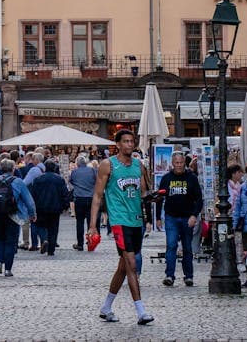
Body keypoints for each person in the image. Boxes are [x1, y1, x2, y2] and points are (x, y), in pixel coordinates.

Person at [89, 130, 154, 325]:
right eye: (125, 141)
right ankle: (141, 311)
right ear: (117, 144)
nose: (129, 145)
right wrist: (93, 226)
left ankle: (106, 307)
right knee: (132, 264)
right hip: (118, 220)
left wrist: (154, 197)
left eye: (131, 141)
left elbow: (143, 193)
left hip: (136, 220)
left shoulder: (138, 166)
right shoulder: (108, 165)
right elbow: (97, 196)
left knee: (123, 268)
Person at [0, 158, 36, 277]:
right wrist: (32, 214)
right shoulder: (18, 182)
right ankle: (8, 269)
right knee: (11, 241)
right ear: (13, 169)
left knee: (0, 239)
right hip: (14, 214)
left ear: (1, 168)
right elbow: (29, 200)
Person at [157, 152, 202, 287]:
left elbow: (199, 199)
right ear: (172, 163)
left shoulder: (191, 178)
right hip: (171, 216)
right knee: (171, 245)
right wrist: (158, 217)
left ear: (184, 163)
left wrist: (194, 215)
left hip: (187, 217)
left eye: (181, 163)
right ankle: (169, 275)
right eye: (176, 163)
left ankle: (188, 276)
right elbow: (160, 198)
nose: (179, 165)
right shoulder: (166, 178)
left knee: (187, 247)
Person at [28, 160, 69, 255]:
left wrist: (33, 207)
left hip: (41, 207)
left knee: (40, 225)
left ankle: (44, 239)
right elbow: (65, 193)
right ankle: (51, 250)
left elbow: (33, 194)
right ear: (54, 168)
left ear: (45, 168)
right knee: (54, 228)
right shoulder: (59, 179)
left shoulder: (38, 179)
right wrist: (65, 206)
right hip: (55, 207)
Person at [69, 153, 97, 251]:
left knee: (79, 222)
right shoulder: (92, 170)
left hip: (79, 199)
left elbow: (71, 181)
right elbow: (96, 181)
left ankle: (80, 244)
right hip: (90, 198)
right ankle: (90, 242)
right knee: (90, 222)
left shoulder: (74, 172)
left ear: (77, 163)